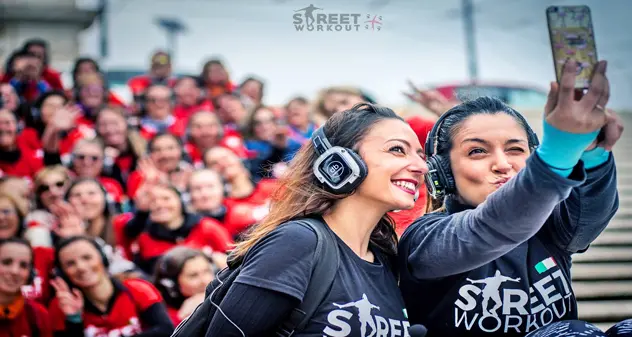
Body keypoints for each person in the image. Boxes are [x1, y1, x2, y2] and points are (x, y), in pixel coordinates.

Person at [398, 60, 627, 336]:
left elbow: (589, 215)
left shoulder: (550, 227)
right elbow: (491, 226)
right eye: (477, 152)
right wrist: (557, 153)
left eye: (515, 150)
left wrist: (592, 153)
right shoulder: (424, 239)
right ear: (443, 173)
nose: (502, 164)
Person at [204, 103, 427, 336]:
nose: (421, 167)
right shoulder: (297, 242)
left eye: (421, 156)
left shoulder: (388, 258)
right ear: (338, 162)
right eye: (397, 150)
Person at [48, 236, 174, 337]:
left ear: (103, 258)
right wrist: (73, 320)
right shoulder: (61, 306)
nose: (81, 267)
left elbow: (166, 330)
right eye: (70, 264)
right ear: (63, 273)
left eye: (87, 257)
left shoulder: (138, 289)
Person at [0, 238, 53, 337]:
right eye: (6, 262)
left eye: (23, 265)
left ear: (31, 274)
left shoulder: (38, 315)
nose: (15, 271)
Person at [152, 246, 216, 326]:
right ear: (171, 285)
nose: (205, 281)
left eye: (207, 271)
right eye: (193, 276)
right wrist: (181, 319)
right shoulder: (159, 315)